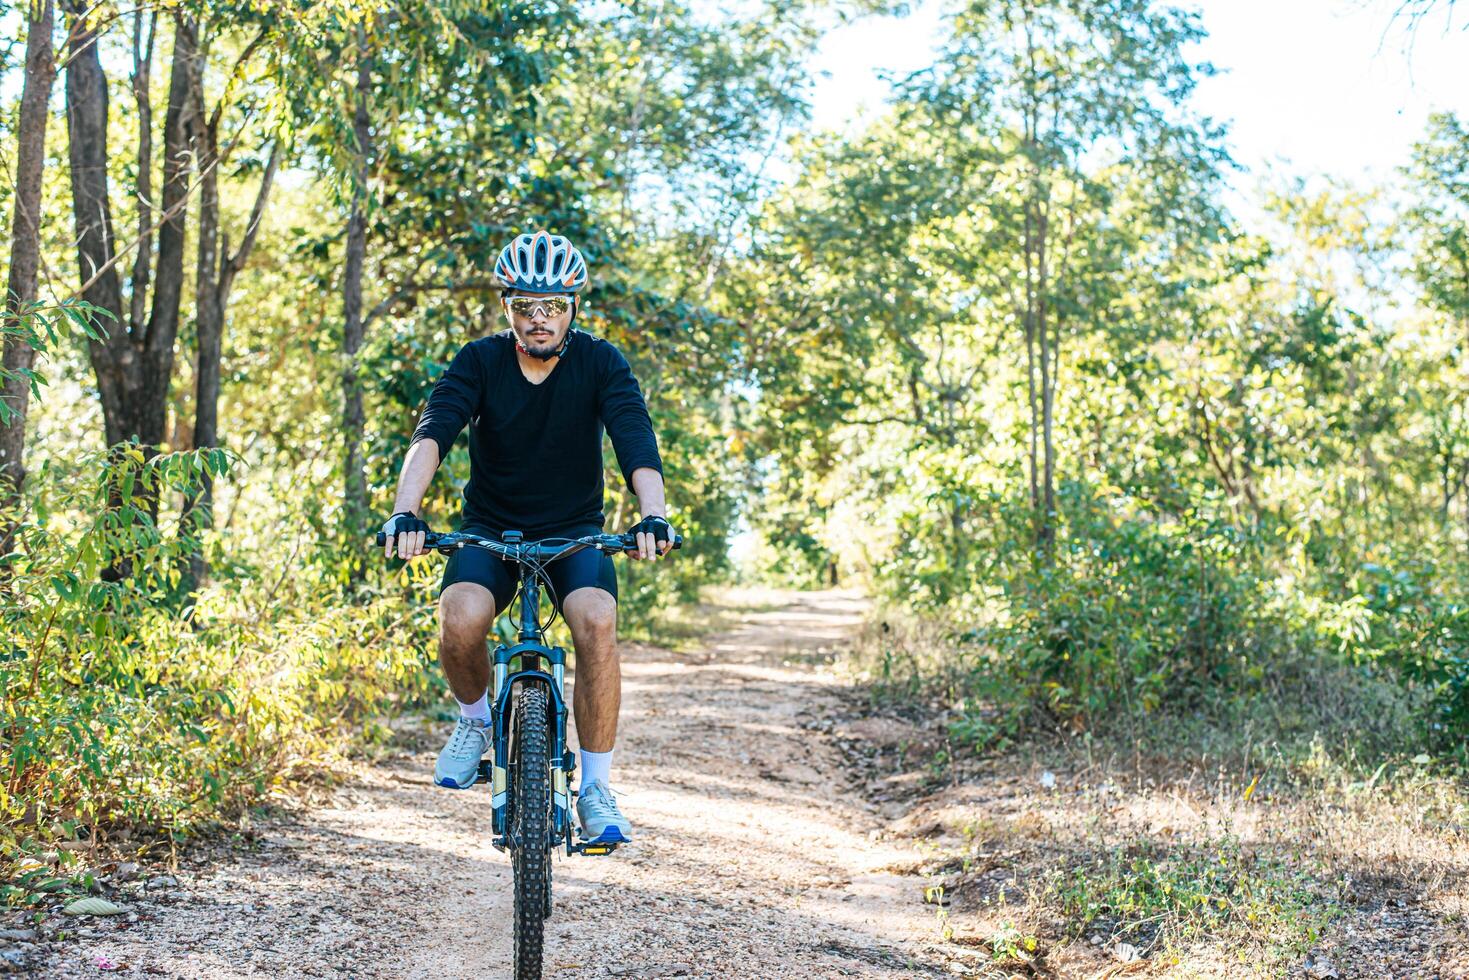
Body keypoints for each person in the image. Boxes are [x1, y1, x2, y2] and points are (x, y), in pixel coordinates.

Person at [379, 230, 675, 845]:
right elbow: (433, 432)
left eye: (553, 307)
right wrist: (406, 513)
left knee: (596, 619)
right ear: (507, 307)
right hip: (491, 530)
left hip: (574, 536)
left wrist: (652, 515)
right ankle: (475, 721)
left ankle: (595, 788)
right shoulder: (480, 362)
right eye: (525, 307)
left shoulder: (600, 362)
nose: (539, 320)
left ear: (573, 308)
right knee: (460, 617)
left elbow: (634, 438)